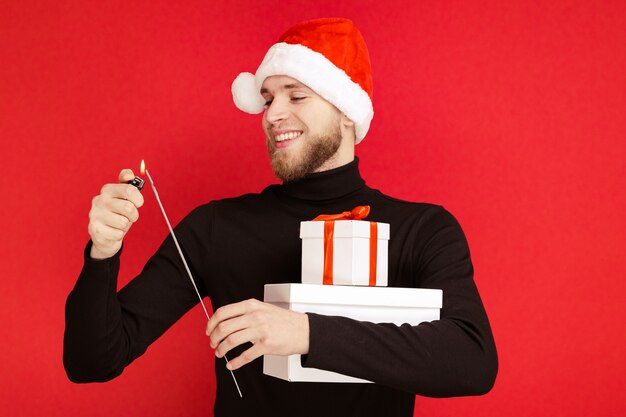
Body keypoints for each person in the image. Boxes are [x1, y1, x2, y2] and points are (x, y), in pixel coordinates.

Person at [64, 18, 497, 416]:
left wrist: (305, 333)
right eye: (268, 98)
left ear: (347, 110)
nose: (272, 115)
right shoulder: (216, 227)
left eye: (297, 95)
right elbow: (93, 360)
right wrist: (103, 253)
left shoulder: (421, 230)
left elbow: (472, 360)